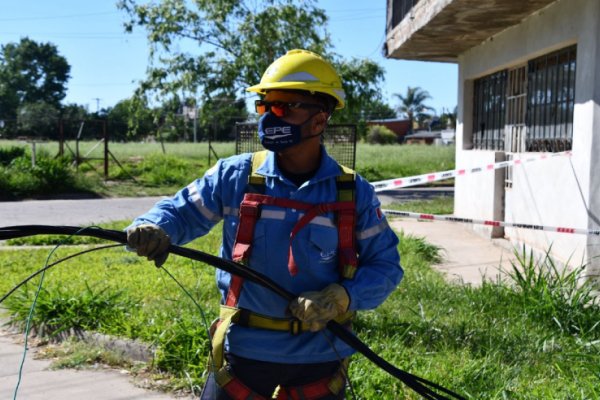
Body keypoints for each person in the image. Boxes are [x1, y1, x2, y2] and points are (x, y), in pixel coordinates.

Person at [126, 49, 403, 400]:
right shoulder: (236, 176)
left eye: (284, 107)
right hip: (242, 357)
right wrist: (154, 227)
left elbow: (386, 266)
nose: (269, 117)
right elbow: (179, 212)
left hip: (320, 361)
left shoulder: (350, 193)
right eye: (265, 105)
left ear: (320, 119)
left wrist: (342, 298)